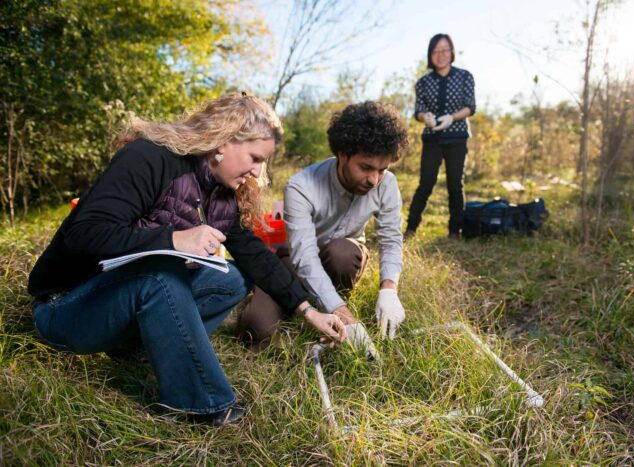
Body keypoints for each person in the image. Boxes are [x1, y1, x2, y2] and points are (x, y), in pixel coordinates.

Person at [27, 93, 346, 427]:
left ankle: (144, 348)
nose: (257, 172)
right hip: (67, 308)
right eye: (254, 158)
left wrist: (308, 310)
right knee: (159, 276)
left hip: (120, 304)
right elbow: (84, 233)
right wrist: (173, 239)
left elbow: (254, 255)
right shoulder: (148, 159)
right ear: (223, 141)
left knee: (233, 278)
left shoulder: (223, 194)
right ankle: (203, 405)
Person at [237, 102, 409, 352]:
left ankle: (331, 301)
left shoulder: (387, 184)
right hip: (293, 260)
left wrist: (389, 289)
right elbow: (304, 257)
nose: (374, 180)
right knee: (257, 328)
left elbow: (391, 239)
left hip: (339, 257)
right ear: (343, 155)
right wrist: (343, 314)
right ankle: (319, 306)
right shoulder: (301, 187)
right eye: (366, 167)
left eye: (382, 169)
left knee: (343, 253)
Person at [405, 33, 476, 239]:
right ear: (430, 54)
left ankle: (455, 231)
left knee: (455, 185)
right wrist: (424, 116)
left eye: (445, 49)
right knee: (425, 184)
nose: (441, 54)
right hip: (432, 139)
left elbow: (470, 107)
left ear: (452, 52)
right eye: (436, 50)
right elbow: (418, 110)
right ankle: (410, 229)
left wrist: (452, 118)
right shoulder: (423, 82)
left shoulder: (464, 76)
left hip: (457, 138)